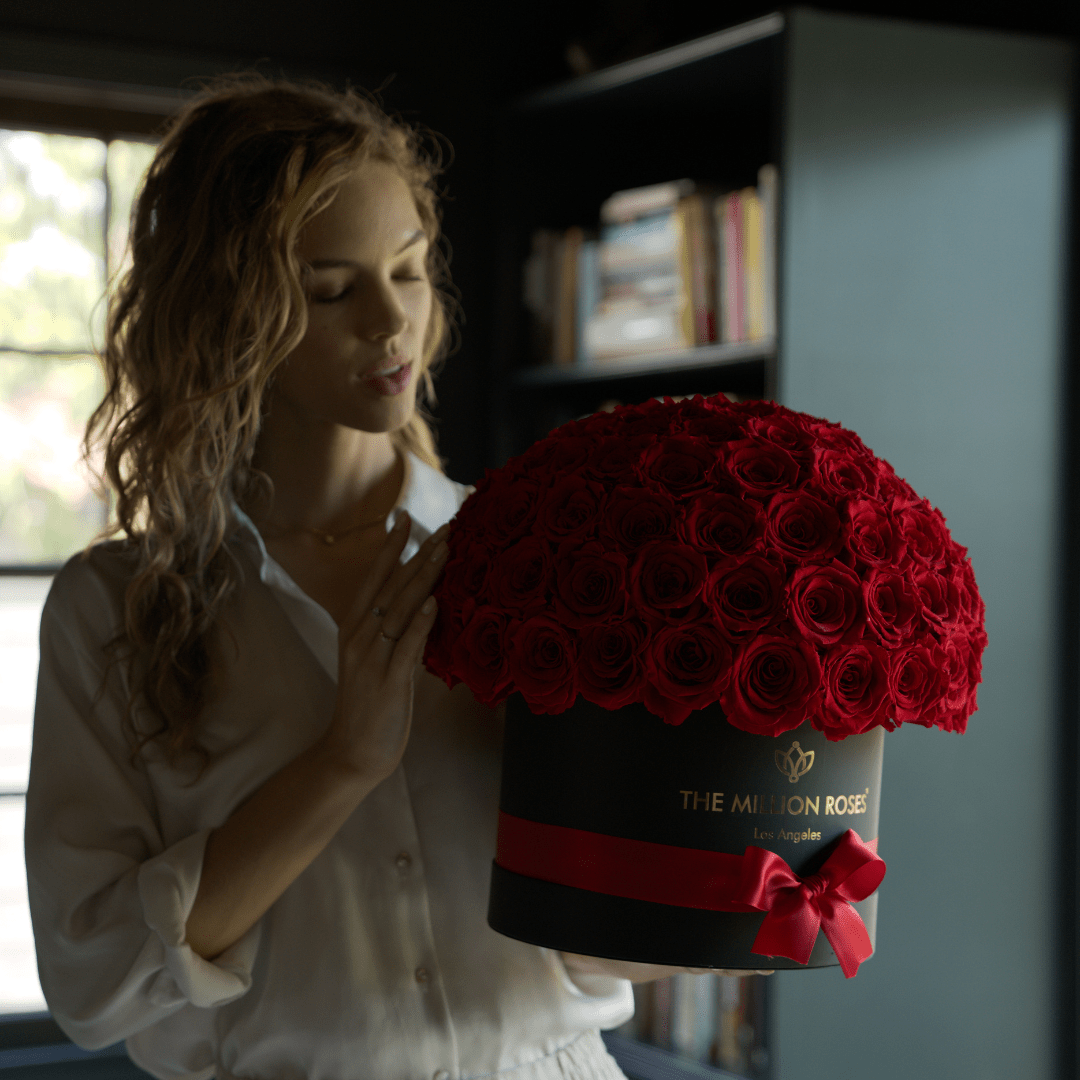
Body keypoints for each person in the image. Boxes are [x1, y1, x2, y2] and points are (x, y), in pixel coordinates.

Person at [24, 73, 766, 1080]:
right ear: (227, 314)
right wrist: (342, 764)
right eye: (333, 289)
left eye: (409, 271)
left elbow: (607, 944)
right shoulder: (112, 609)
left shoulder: (540, 556)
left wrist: (740, 862)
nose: (391, 322)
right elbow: (96, 981)